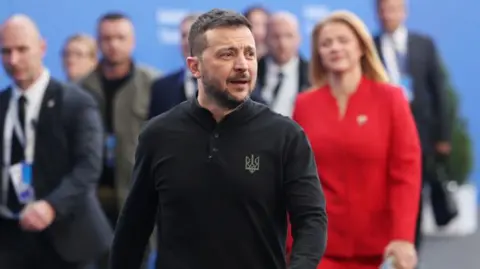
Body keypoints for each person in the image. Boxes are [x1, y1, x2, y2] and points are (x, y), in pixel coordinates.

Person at [110, 8, 327, 269]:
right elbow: (133, 227)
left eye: (249, 53)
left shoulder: (286, 136)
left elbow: (311, 220)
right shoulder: (158, 135)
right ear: (195, 66)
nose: (242, 65)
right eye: (227, 54)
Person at [289, 10, 421, 269]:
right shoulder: (305, 104)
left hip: (380, 249)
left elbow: (405, 174)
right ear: (318, 54)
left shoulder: (391, 99)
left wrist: (403, 238)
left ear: (361, 46)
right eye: (326, 43)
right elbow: (294, 177)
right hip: (317, 248)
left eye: (343, 40)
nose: (335, 48)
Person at [0, 14, 112, 269]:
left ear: (41, 47)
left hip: (66, 238)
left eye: (21, 49)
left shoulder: (76, 102)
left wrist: (51, 206)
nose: (13, 60)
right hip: (10, 239)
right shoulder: (2, 105)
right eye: (6, 51)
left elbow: (89, 166)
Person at [373, 0, 452, 249]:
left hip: (420, 133)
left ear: (404, 12)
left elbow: (439, 91)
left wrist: (443, 136)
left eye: (394, 9)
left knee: (412, 194)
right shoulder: (370, 46)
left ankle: (410, 252)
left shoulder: (423, 45)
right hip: (381, 133)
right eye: (384, 9)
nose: (389, 15)